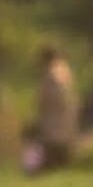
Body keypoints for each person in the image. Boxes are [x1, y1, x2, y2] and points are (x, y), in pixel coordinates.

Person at [32, 45, 79, 173]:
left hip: (54, 123)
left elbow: (46, 99)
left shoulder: (51, 75)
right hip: (66, 122)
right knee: (63, 150)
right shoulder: (64, 71)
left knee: (53, 152)